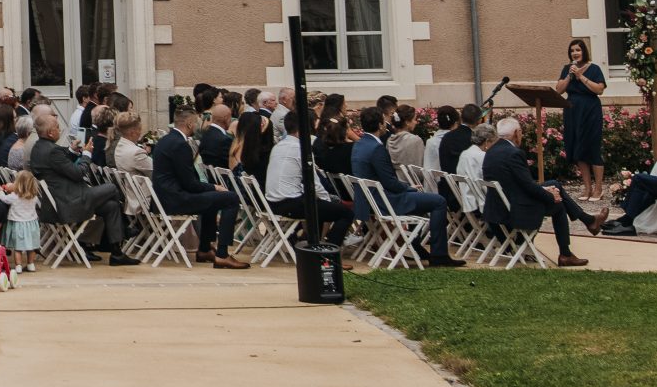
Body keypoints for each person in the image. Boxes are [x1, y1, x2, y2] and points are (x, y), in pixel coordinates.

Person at [480, 118, 601, 265]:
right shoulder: (513, 153)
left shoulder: (492, 151)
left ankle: (588, 221)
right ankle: (566, 253)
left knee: (554, 184)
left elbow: (520, 183)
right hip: (513, 210)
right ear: (517, 133)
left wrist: (547, 190)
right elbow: (528, 187)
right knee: (559, 206)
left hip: (498, 206)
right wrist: (550, 196)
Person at [28, 103, 137, 265]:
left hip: (59, 200)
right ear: (51, 133)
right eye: (58, 127)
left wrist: (72, 152)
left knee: (111, 206)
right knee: (112, 188)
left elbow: (60, 166)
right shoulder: (52, 150)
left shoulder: (39, 147)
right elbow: (78, 174)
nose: (60, 130)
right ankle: (126, 226)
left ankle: (117, 253)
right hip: (69, 202)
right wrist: (86, 155)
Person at [351, 106, 458, 266]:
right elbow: (390, 182)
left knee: (425, 202)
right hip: (386, 200)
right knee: (439, 201)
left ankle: (415, 245)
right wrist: (409, 187)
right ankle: (439, 255)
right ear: (381, 125)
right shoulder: (376, 148)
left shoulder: (359, 145)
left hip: (371, 199)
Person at [151, 100, 246, 267]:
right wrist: (214, 187)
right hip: (175, 200)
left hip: (164, 197)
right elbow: (190, 184)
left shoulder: (166, 140)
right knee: (230, 198)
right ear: (189, 123)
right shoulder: (180, 145)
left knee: (212, 200)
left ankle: (204, 248)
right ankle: (222, 254)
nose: (198, 125)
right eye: (196, 122)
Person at [264, 110, 353, 244]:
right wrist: (326, 199)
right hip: (289, 202)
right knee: (346, 214)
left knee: (319, 206)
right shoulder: (300, 148)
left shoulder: (278, 146)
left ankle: (314, 243)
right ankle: (331, 250)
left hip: (273, 201)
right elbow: (313, 181)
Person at [555, 38, 609, 200]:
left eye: (578, 50)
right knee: (577, 148)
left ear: (584, 51)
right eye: (572, 51)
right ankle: (587, 188)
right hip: (572, 111)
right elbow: (558, 90)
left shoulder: (594, 68)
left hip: (590, 110)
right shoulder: (567, 69)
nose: (575, 53)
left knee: (592, 147)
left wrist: (581, 76)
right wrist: (570, 76)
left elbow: (599, 90)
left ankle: (598, 188)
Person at [2, 170, 42, 272]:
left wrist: (0, 192)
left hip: (18, 224)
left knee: (18, 247)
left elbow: (4, 199)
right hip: (32, 224)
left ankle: (18, 266)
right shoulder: (34, 197)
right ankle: (30, 264)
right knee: (32, 246)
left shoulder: (14, 196)